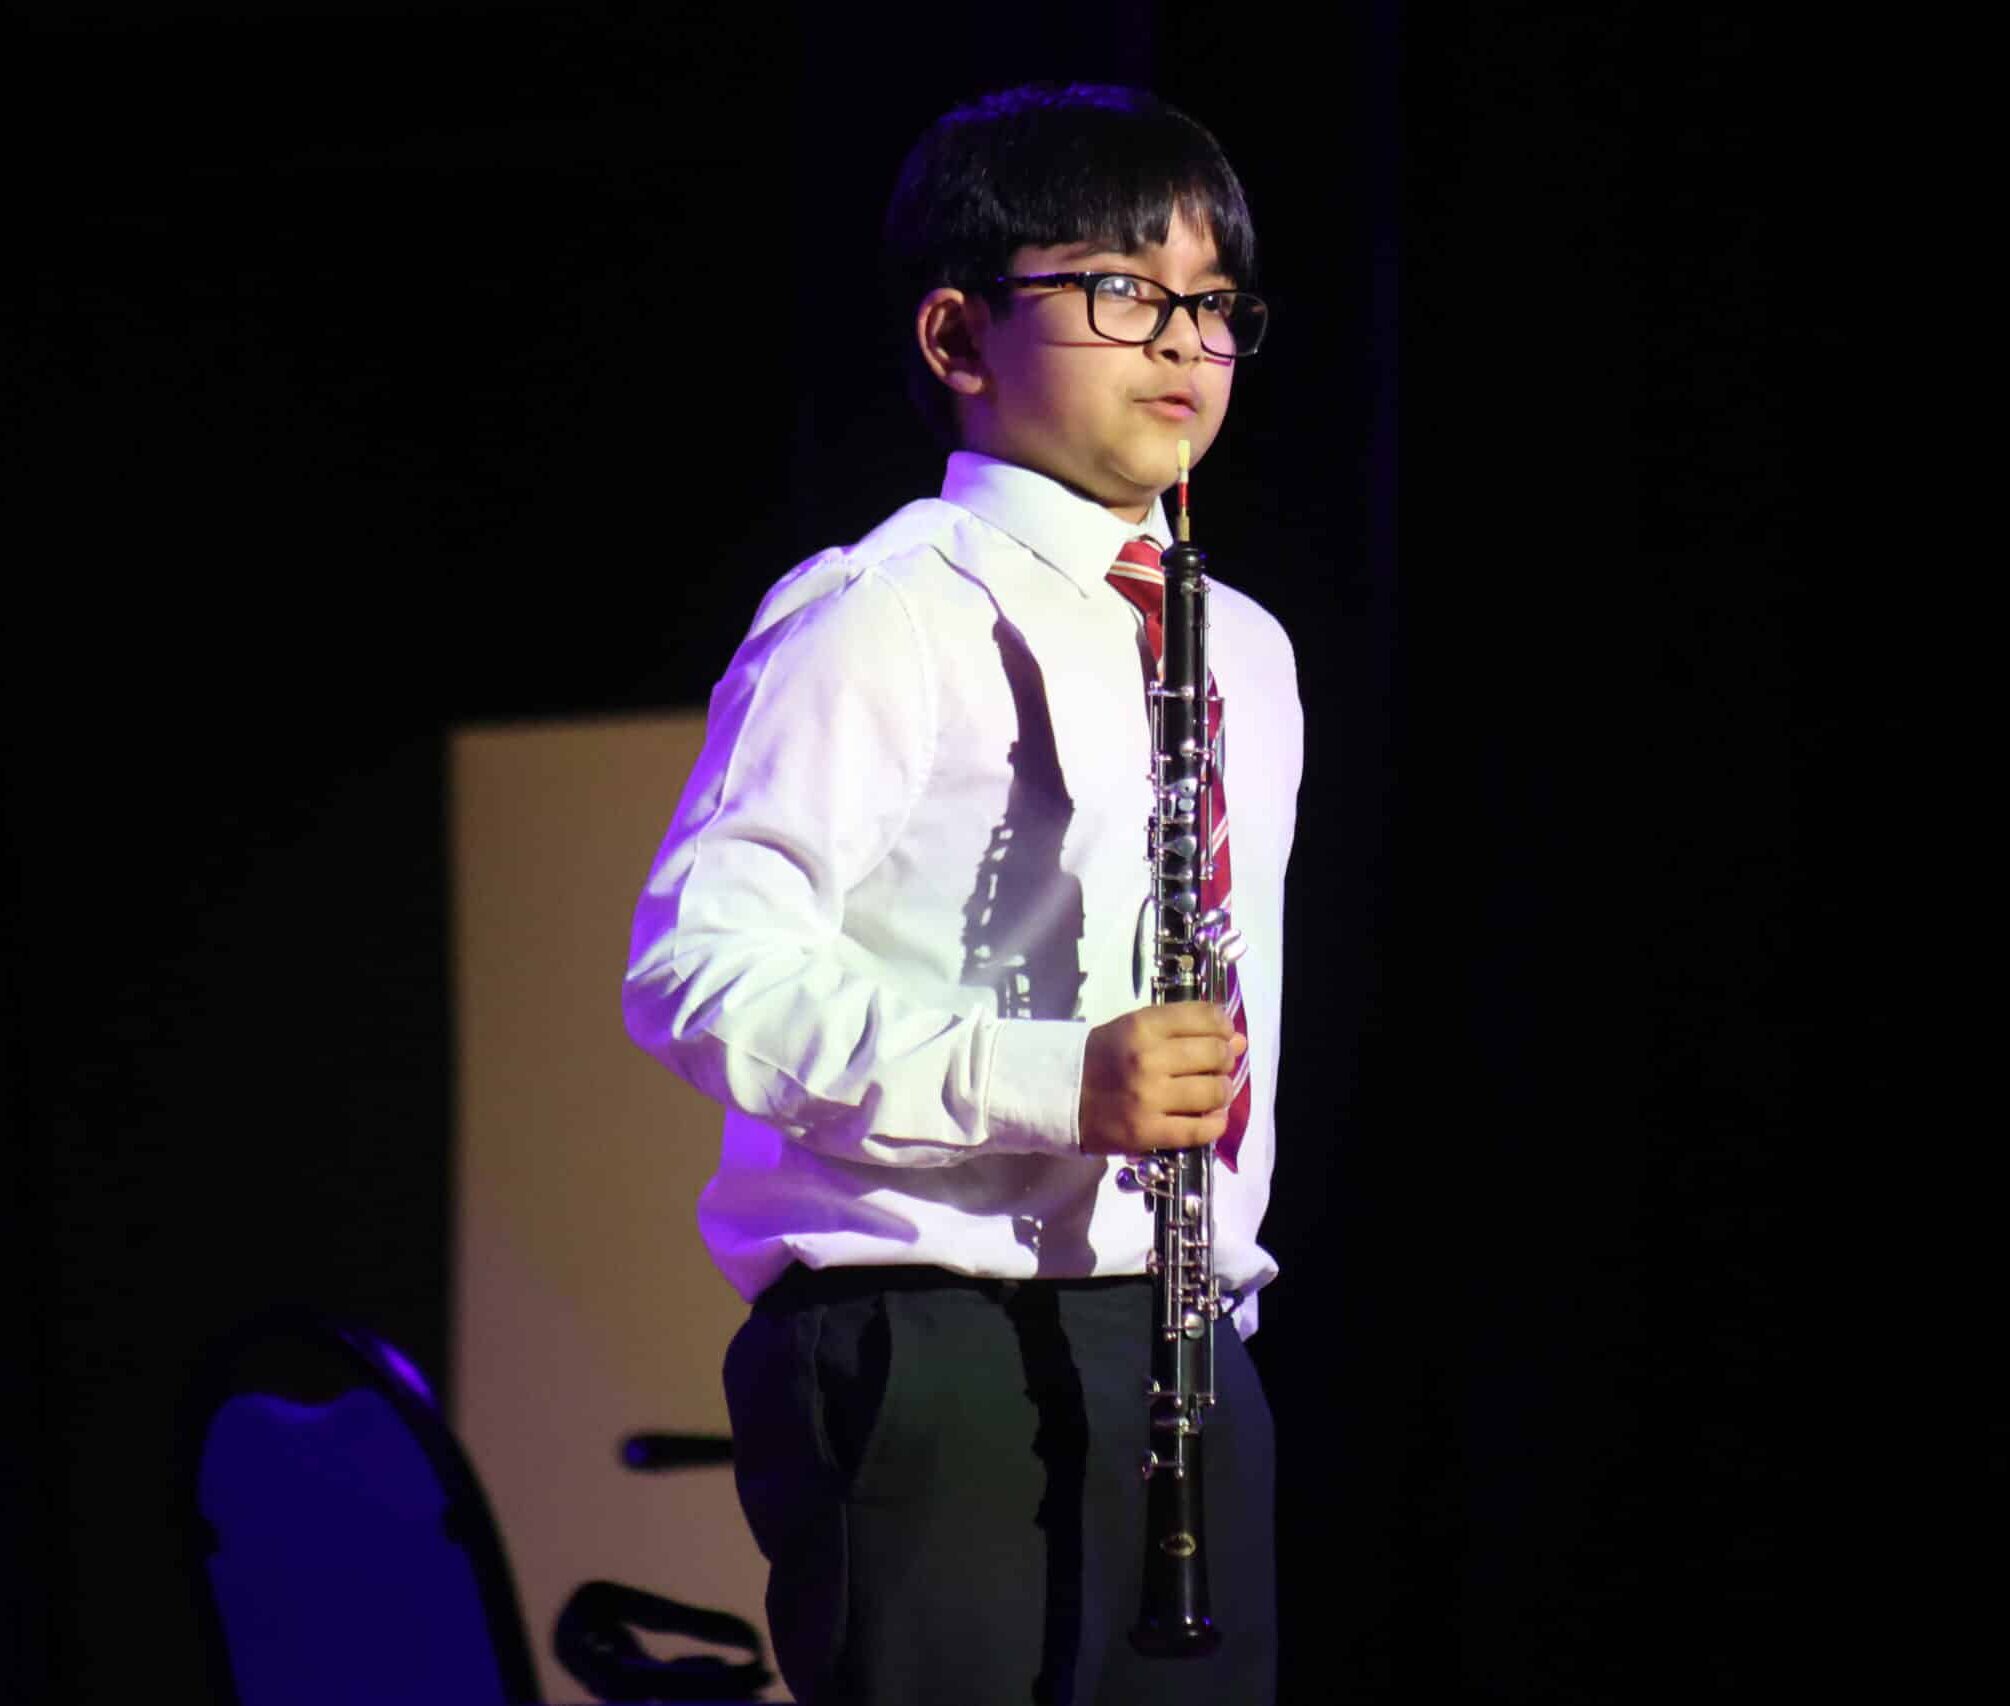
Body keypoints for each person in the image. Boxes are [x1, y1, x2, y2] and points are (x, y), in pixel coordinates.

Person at [624, 82, 1302, 1706]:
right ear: (956, 334)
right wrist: (1054, 1080)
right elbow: (701, 968)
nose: (1180, 346)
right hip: (932, 1337)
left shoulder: (1249, 647)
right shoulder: (880, 612)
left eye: (1212, 306)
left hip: (1185, 1336)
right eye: (1121, 292)